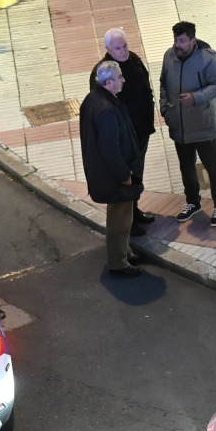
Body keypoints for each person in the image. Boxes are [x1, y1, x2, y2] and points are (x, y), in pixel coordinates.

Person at [160, 21, 216, 227]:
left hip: (203, 125)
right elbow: (163, 83)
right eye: (175, 40)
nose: (177, 45)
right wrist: (165, 109)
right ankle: (193, 202)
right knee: (186, 167)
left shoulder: (208, 58)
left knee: (213, 167)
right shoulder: (169, 56)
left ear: (192, 40)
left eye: (182, 41)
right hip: (180, 125)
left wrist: (197, 97)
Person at [80, 61, 144, 278]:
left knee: (120, 216)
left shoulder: (94, 99)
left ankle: (125, 252)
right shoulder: (106, 109)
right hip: (114, 176)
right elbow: (110, 149)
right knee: (120, 220)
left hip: (104, 172)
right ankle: (119, 262)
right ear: (108, 82)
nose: (123, 80)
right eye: (119, 77)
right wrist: (124, 174)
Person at [94, 28, 156, 236]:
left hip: (141, 130)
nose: (123, 52)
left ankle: (134, 211)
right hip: (123, 137)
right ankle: (127, 222)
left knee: (137, 174)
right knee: (126, 177)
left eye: (125, 46)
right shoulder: (103, 72)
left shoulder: (134, 60)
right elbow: (102, 106)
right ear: (108, 49)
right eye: (118, 48)